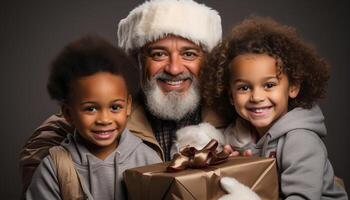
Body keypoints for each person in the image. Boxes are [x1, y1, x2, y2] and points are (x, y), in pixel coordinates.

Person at [19, 0, 225, 194]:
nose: (174, 68)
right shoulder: (114, 104)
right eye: (158, 54)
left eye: (189, 54)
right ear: (137, 60)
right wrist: (61, 176)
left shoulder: (229, 110)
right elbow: (42, 144)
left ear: (207, 61)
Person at [201, 16, 348, 199]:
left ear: (293, 87)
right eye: (244, 88)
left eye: (269, 85)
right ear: (231, 95)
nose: (257, 97)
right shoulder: (234, 136)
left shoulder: (300, 140)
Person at [25, 36, 162, 200]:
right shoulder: (53, 168)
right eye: (90, 109)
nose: (104, 119)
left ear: (128, 106)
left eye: (115, 107)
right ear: (68, 113)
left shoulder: (149, 160)